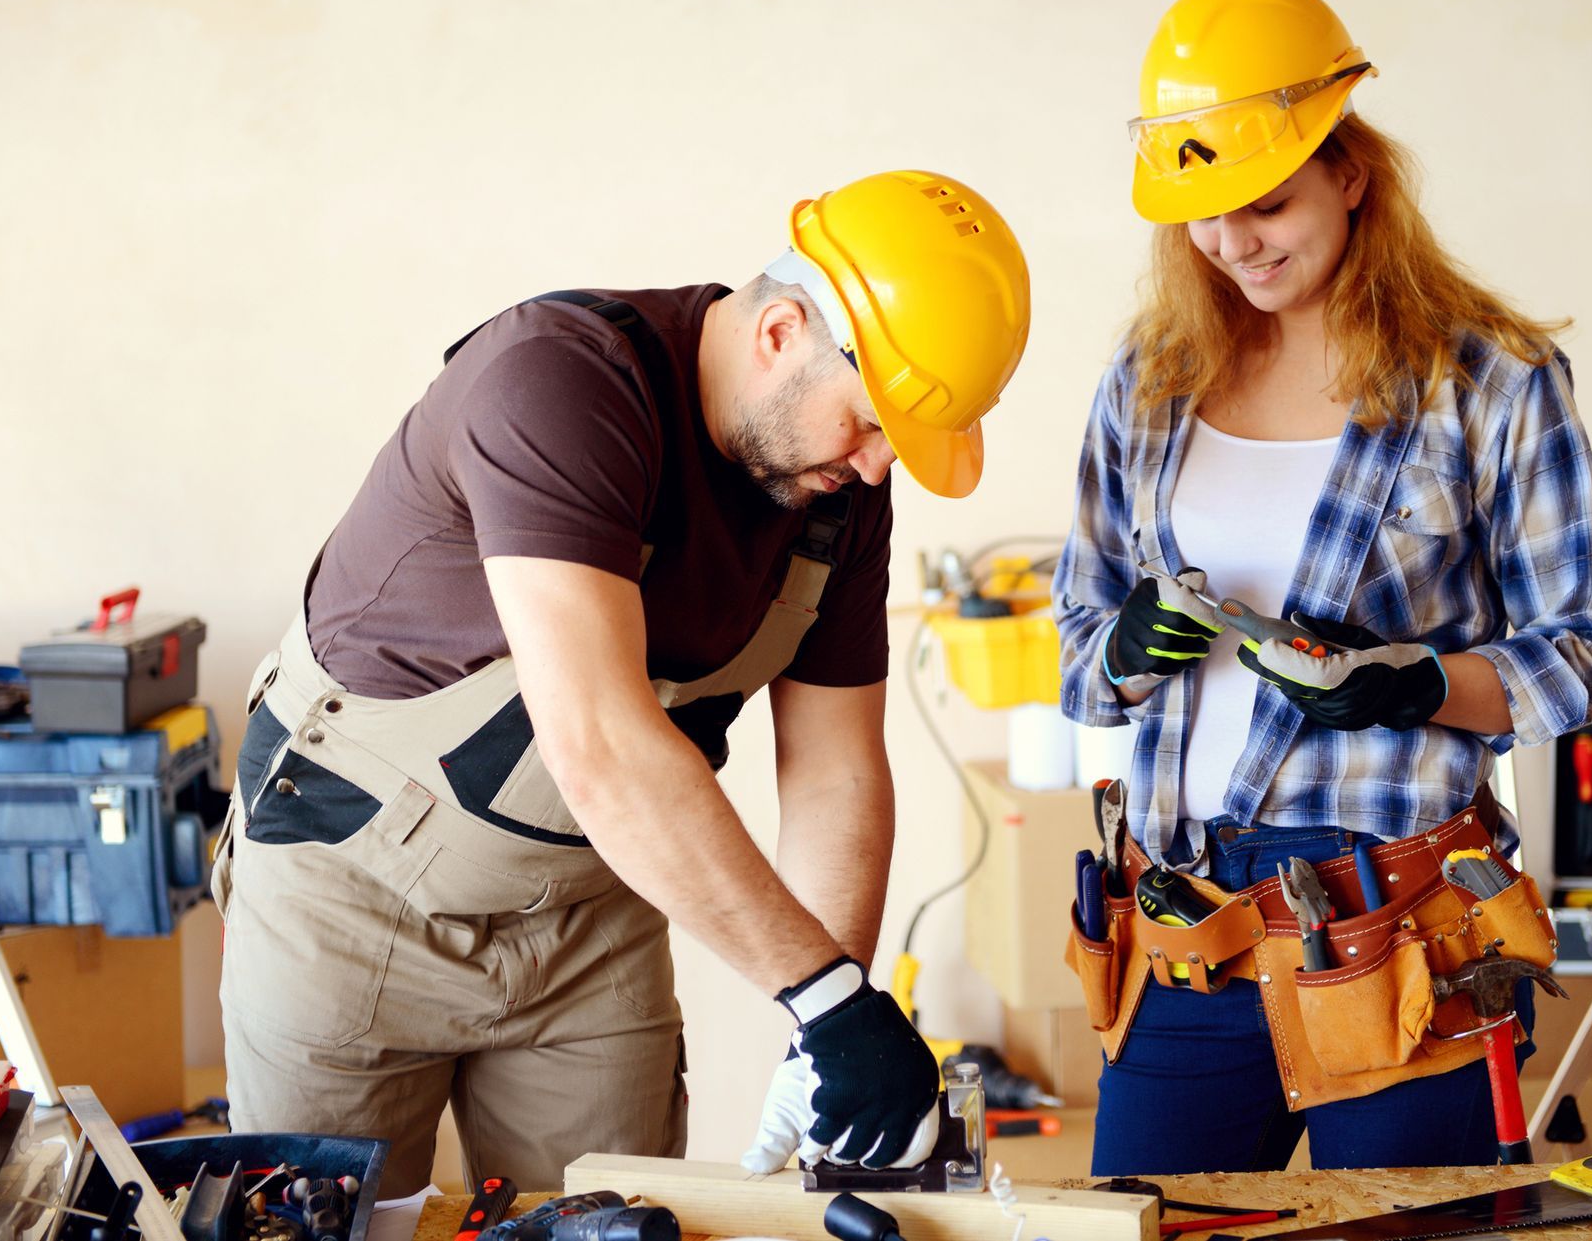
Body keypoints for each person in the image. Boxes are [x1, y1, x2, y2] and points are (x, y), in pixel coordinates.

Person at [211, 169, 1031, 1195]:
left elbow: (836, 773)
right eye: (867, 423)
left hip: (593, 915)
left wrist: (822, 1033)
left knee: (609, 1223)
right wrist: (828, 1002)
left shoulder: (839, 498)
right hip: (354, 895)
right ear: (781, 333)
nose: (874, 468)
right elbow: (596, 739)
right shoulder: (558, 385)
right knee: (330, 1226)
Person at [1052, 0, 1592, 1174]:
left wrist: (1416, 684)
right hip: (1182, 929)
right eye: (1203, 216)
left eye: (1265, 201)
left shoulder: (1491, 380)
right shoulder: (1152, 377)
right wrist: (1114, 653)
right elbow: (1076, 638)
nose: (1232, 243)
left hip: (1400, 934)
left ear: (1350, 171)